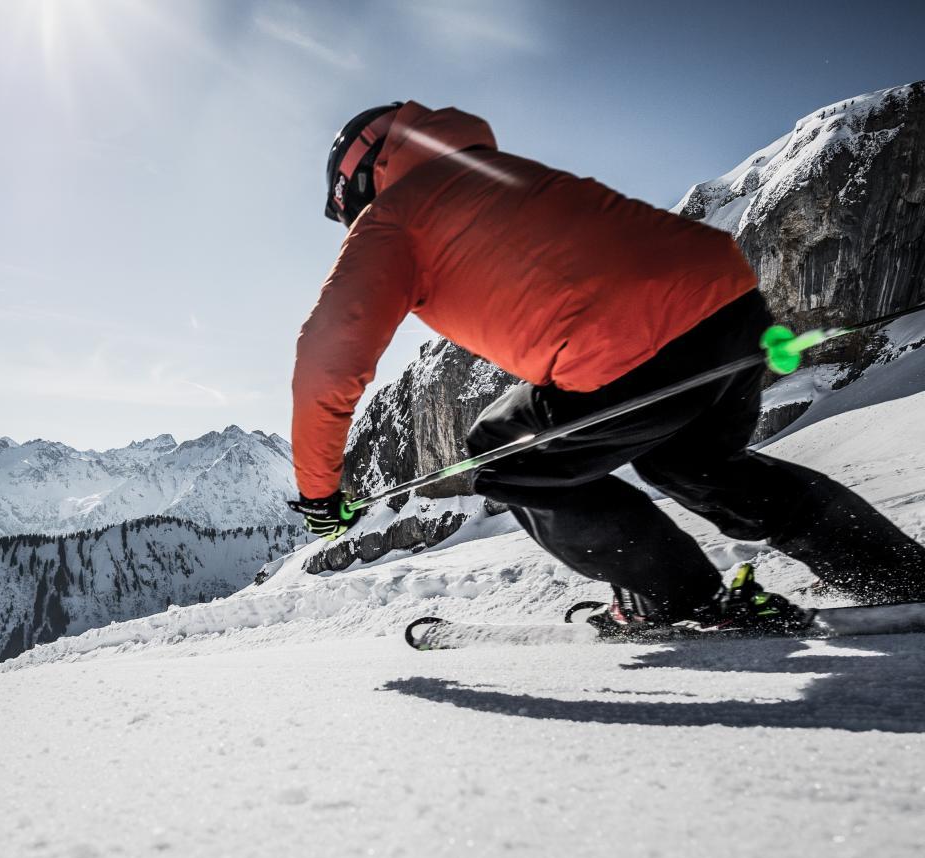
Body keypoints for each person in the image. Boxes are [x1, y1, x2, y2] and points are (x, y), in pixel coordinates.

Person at [287, 100, 925, 635]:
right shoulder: (491, 169)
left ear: (359, 180)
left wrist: (321, 496)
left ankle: (677, 600)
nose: (348, 220)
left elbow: (327, 356)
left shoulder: (394, 218)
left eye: (344, 206)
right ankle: (897, 574)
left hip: (629, 348)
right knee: (695, 463)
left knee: (503, 454)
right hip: (728, 305)